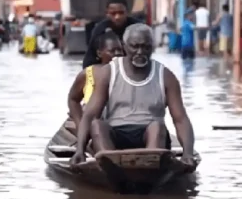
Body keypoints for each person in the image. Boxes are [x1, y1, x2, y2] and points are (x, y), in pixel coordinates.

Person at [70, 23, 196, 170]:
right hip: (116, 135)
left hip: (150, 136)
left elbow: (180, 119)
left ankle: (150, 168)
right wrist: (80, 149)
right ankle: (111, 167)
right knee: (97, 125)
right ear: (124, 46)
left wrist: (188, 153)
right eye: (134, 47)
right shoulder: (108, 73)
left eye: (146, 47)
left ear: (153, 47)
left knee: (158, 126)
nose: (140, 52)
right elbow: (90, 115)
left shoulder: (166, 76)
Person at [67, 30, 122, 129]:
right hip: (94, 126)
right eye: (112, 51)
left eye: (119, 50)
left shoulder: (128, 73)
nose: (117, 54)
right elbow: (73, 99)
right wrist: (80, 125)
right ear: (99, 53)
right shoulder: (87, 74)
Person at [82, 0, 139, 69]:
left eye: (121, 13)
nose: (117, 17)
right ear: (107, 14)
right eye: (113, 13)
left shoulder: (137, 28)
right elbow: (90, 57)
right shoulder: (99, 30)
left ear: (127, 12)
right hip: (107, 69)